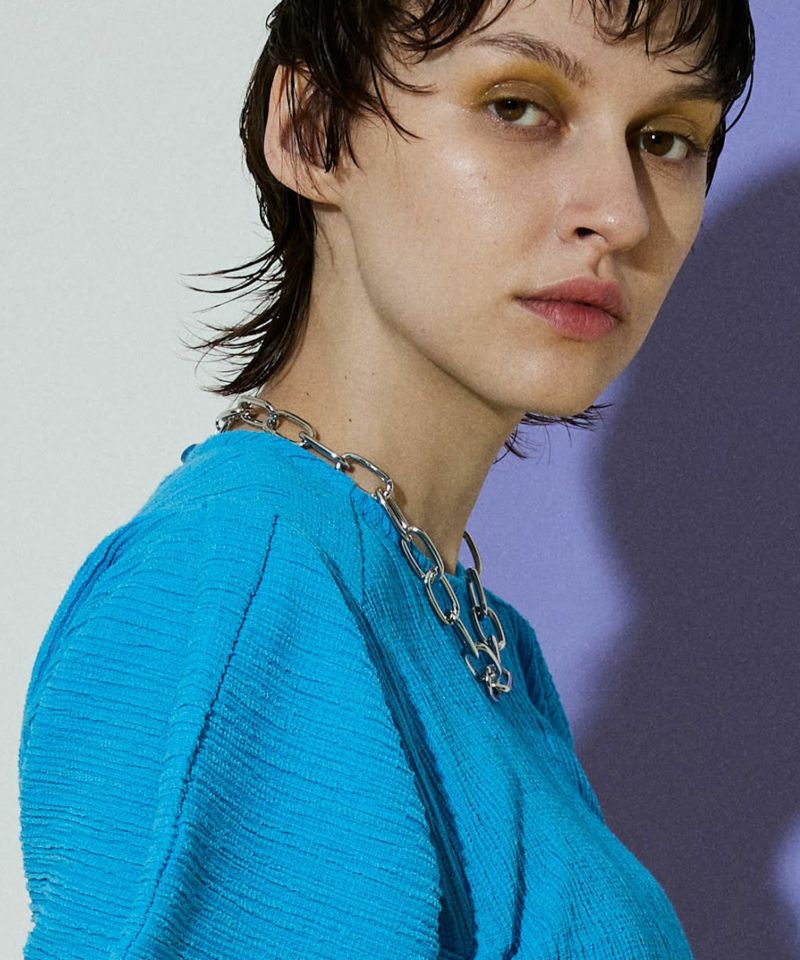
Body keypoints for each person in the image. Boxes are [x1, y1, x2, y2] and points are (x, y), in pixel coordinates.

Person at [17, 0, 755, 957]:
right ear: (313, 132)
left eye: (664, 138)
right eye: (518, 107)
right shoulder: (247, 579)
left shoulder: (478, 634)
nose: (619, 214)